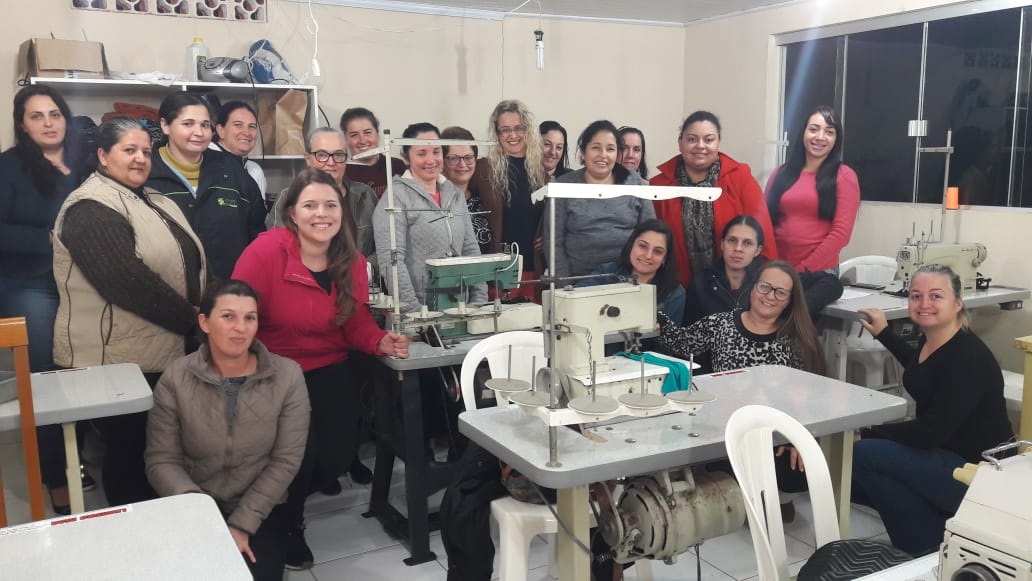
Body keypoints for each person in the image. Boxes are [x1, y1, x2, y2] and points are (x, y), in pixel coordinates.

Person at [232, 168, 409, 570]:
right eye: (310, 205)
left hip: (329, 367)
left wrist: (379, 340)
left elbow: (354, 321)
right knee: (296, 457)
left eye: (330, 205)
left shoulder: (352, 261)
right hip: (274, 372)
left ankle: (273, 502)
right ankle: (287, 523)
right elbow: (236, 315)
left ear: (342, 213)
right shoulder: (265, 252)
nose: (321, 214)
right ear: (292, 213)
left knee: (337, 456)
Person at [52, 117, 207, 507]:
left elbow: (186, 264)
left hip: (159, 350)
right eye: (129, 150)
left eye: (146, 152)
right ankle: (135, 528)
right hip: (116, 359)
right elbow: (127, 282)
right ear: (103, 156)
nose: (140, 159)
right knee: (131, 452)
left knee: (157, 449)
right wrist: (195, 320)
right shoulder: (90, 206)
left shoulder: (154, 198)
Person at [146, 280, 310, 581]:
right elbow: (161, 459)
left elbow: (286, 461)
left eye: (250, 318)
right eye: (228, 316)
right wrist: (202, 515)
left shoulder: (288, 376)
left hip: (259, 507)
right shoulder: (176, 377)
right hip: (193, 502)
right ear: (204, 322)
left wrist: (241, 524)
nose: (241, 328)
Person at [855, 264, 1013, 556]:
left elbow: (929, 432)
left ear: (958, 303)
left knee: (864, 455)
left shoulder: (968, 357)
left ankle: (926, 543)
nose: (924, 303)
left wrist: (865, 432)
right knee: (862, 474)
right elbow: (923, 370)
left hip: (977, 473)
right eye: (916, 296)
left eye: (936, 296)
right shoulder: (934, 341)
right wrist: (884, 334)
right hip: (948, 454)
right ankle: (928, 540)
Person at [0, 85, 86, 514]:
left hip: (84, 281)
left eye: (55, 113)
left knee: (84, 369)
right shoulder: (9, 166)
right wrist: (49, 240)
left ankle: (79, 456)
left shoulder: (87, 160)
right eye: (37, 116)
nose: (49, 123)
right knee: (47, 376)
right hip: (30, 282)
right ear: (23, 124)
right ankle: (57, 474)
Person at [651, 111, 778, 287]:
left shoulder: (740, 178)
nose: (700, 146)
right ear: (680, 143)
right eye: (692, 139)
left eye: (709, 140)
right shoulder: (659, 184)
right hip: (677, 285)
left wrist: (768, 281)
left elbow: (762, 233)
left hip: (734, 286)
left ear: (718, 142)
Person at [145, 93, 265, 279]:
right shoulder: (146, 173)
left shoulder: (231, 170)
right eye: (188, 124)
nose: (199, 132)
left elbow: (257, 232)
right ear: (165, 125)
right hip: (168, 289)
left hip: (228, 288)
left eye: (205, 125)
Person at [373, 122, 488, 314]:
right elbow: (391, 263)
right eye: (421, 153)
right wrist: (415, 313)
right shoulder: (394, 198)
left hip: (461, 308)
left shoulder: (454, 194)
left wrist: (479, 301)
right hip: (419, 311)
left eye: (436, 151)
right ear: (406, 158)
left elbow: (470, 249)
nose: (431, 160)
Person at [658, 260, 824, 375]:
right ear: (752, 288)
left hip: (775, 414)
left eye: (780, 292)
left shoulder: (797, 338)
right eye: (764, 287)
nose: (770, 296)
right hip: (726, 411)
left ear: (790, 301)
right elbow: (681, 342)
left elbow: (806, 391)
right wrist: (653, 316)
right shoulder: (720, 324)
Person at [685, 214, 843, 325]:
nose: (738, 248)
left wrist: (794, 311)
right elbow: (690, 337)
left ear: (758, 250)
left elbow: (831, 283)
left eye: (747, 243)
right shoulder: (702, 281)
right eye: (732, 241)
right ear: (722, 244)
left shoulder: (772, 276)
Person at [545, 120, 654, 278]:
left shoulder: (636, 184)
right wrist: (565, 284)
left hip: (628, 280)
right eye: (596, 147)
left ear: (617, 154)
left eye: (610, 149)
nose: (603, 155)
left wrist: (639, 279)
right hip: (577, 281)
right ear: (583, 152)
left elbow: (650, 236)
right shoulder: (562, 186)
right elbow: (553, 243)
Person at [470, 100, 549, 298]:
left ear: (528, 131)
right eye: (505, 130)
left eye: (519, 128)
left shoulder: (540, 172)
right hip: (498, 271)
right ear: (497, 134)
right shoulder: (483, 170)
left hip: (534, 270)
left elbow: (548, 216)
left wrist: (548, 234)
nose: (513, 135)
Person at [766, 105, 860, 272]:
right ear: (804, 132)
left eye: (829, 132)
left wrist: (802, 271)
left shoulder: (844, 176)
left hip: (819, 272)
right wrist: (771, 266)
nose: (820, 137)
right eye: (814, 129)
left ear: (836, 139)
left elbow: (841, 235)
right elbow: (765, 221)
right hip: (776, 269)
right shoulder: (780, 173)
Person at [268, 128, 376, 271]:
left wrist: (365, 269)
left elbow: (384, 247)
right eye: (322, 155)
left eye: (338, 154)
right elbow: (278, 251)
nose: (331, 162)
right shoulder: (288, 198)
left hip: (356, 282)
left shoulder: (365, 195)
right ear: (308, 159)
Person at [578, 219, 685, 324]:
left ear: (665, 258)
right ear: (631, 245)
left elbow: (670, 335)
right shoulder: (607, 273)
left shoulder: (675, 293)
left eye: (657, 251)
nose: (648, 256)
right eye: (643, 246)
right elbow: (574, 301)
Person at [441, 126, 491, 254]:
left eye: (468, 157)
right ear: (442, 162)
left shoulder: (485, 200)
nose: (462, 164)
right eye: (454, 158)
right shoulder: (435, 202)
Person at [212, 101, 269, 209]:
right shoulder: (204, 161)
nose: (247, 133)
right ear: (221, 130)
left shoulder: (254, 171)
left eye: (252, 126)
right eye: (238, 125)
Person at [339, 107, 406, 197]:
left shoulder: (397, 166)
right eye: (354, 135)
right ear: (346, 139)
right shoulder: (341, 172)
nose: (362, 140)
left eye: (367, 133)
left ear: (377, 134)